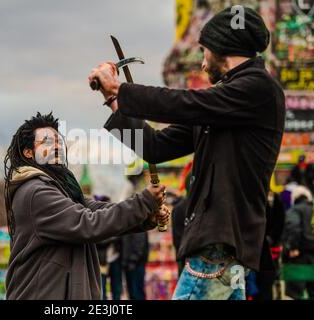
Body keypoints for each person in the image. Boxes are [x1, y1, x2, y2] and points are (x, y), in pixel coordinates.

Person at [89, 6, 285, 300]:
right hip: (221, 247)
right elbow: (154, 147)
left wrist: (121, 89)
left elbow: (186, 103)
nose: (203, 64)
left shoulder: (258, 88)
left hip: (218, 242)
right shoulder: (223, 105)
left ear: (222, 48)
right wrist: (113, 101)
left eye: (204, 51)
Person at [3, 112, 169, 300]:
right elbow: (87, 223)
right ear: (28, 153)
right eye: (47, 142)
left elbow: (95, 209)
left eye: (58, 141)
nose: (56, 146)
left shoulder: (59, 187)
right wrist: (145, 201)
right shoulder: (35, 192)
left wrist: (147, 217)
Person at [282, 186, 314, 299]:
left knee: (295, 294)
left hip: (299, 257)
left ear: (294, 197)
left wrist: (292, 247)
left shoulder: (295, 210)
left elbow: (293, 228)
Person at [121, 231, 149, 300]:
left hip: (135, 264)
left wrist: (133, 260)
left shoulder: (136, 223)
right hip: (131, 263)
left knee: (136, 293)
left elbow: (140, 243)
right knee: (133, 293)